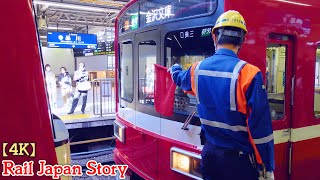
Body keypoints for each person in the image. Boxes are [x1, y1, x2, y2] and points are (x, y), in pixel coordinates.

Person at [168, 11, 275, 180]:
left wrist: (174, 68)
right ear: (242, 40)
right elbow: (261, 130)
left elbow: (180, 79)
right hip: (238, 163)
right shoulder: (250, 74)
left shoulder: (197, 69)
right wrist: (267, 166)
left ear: (214, 37)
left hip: (210, 157)